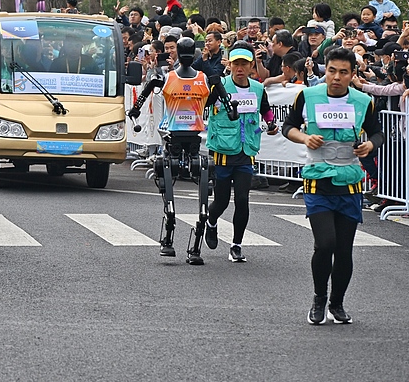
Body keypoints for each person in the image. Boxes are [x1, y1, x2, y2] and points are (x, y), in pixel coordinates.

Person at [283, 46, 385, 326]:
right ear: (324, 70)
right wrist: (304, 138)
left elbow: (378, 133)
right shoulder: (307, 96)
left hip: (349, 181)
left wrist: (369, 145)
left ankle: (336, 303)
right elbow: (288, 127)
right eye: (331, 71)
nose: (336, 77)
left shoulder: (364, 101)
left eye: (343, 72)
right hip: (317, 179)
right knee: (325, 243)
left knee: (344, 249)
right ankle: (318, 299)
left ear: (353, 75)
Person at [129, 37, 231, 264]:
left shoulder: (168, 78)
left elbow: (147, 91)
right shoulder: (204, 79)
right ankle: (194, 246)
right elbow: (219, 99)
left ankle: (169, 232)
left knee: (168, 176)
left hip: (175, 135)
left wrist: (134, 110)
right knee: (201, 178)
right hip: (192, 136)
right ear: (193, 53)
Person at [204, 42, 277, 263]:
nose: (240, 68)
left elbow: (265, 110)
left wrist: (272, 123)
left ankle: (236, 245)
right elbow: (204, 107)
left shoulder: (257, 88)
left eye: (244, 64)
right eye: (236, 64)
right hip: (224, 148)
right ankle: (211, 221)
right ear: (229, 64)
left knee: (243, 200)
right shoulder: (219, 86)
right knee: (222, 201)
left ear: (251, 65)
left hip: (247, 149)